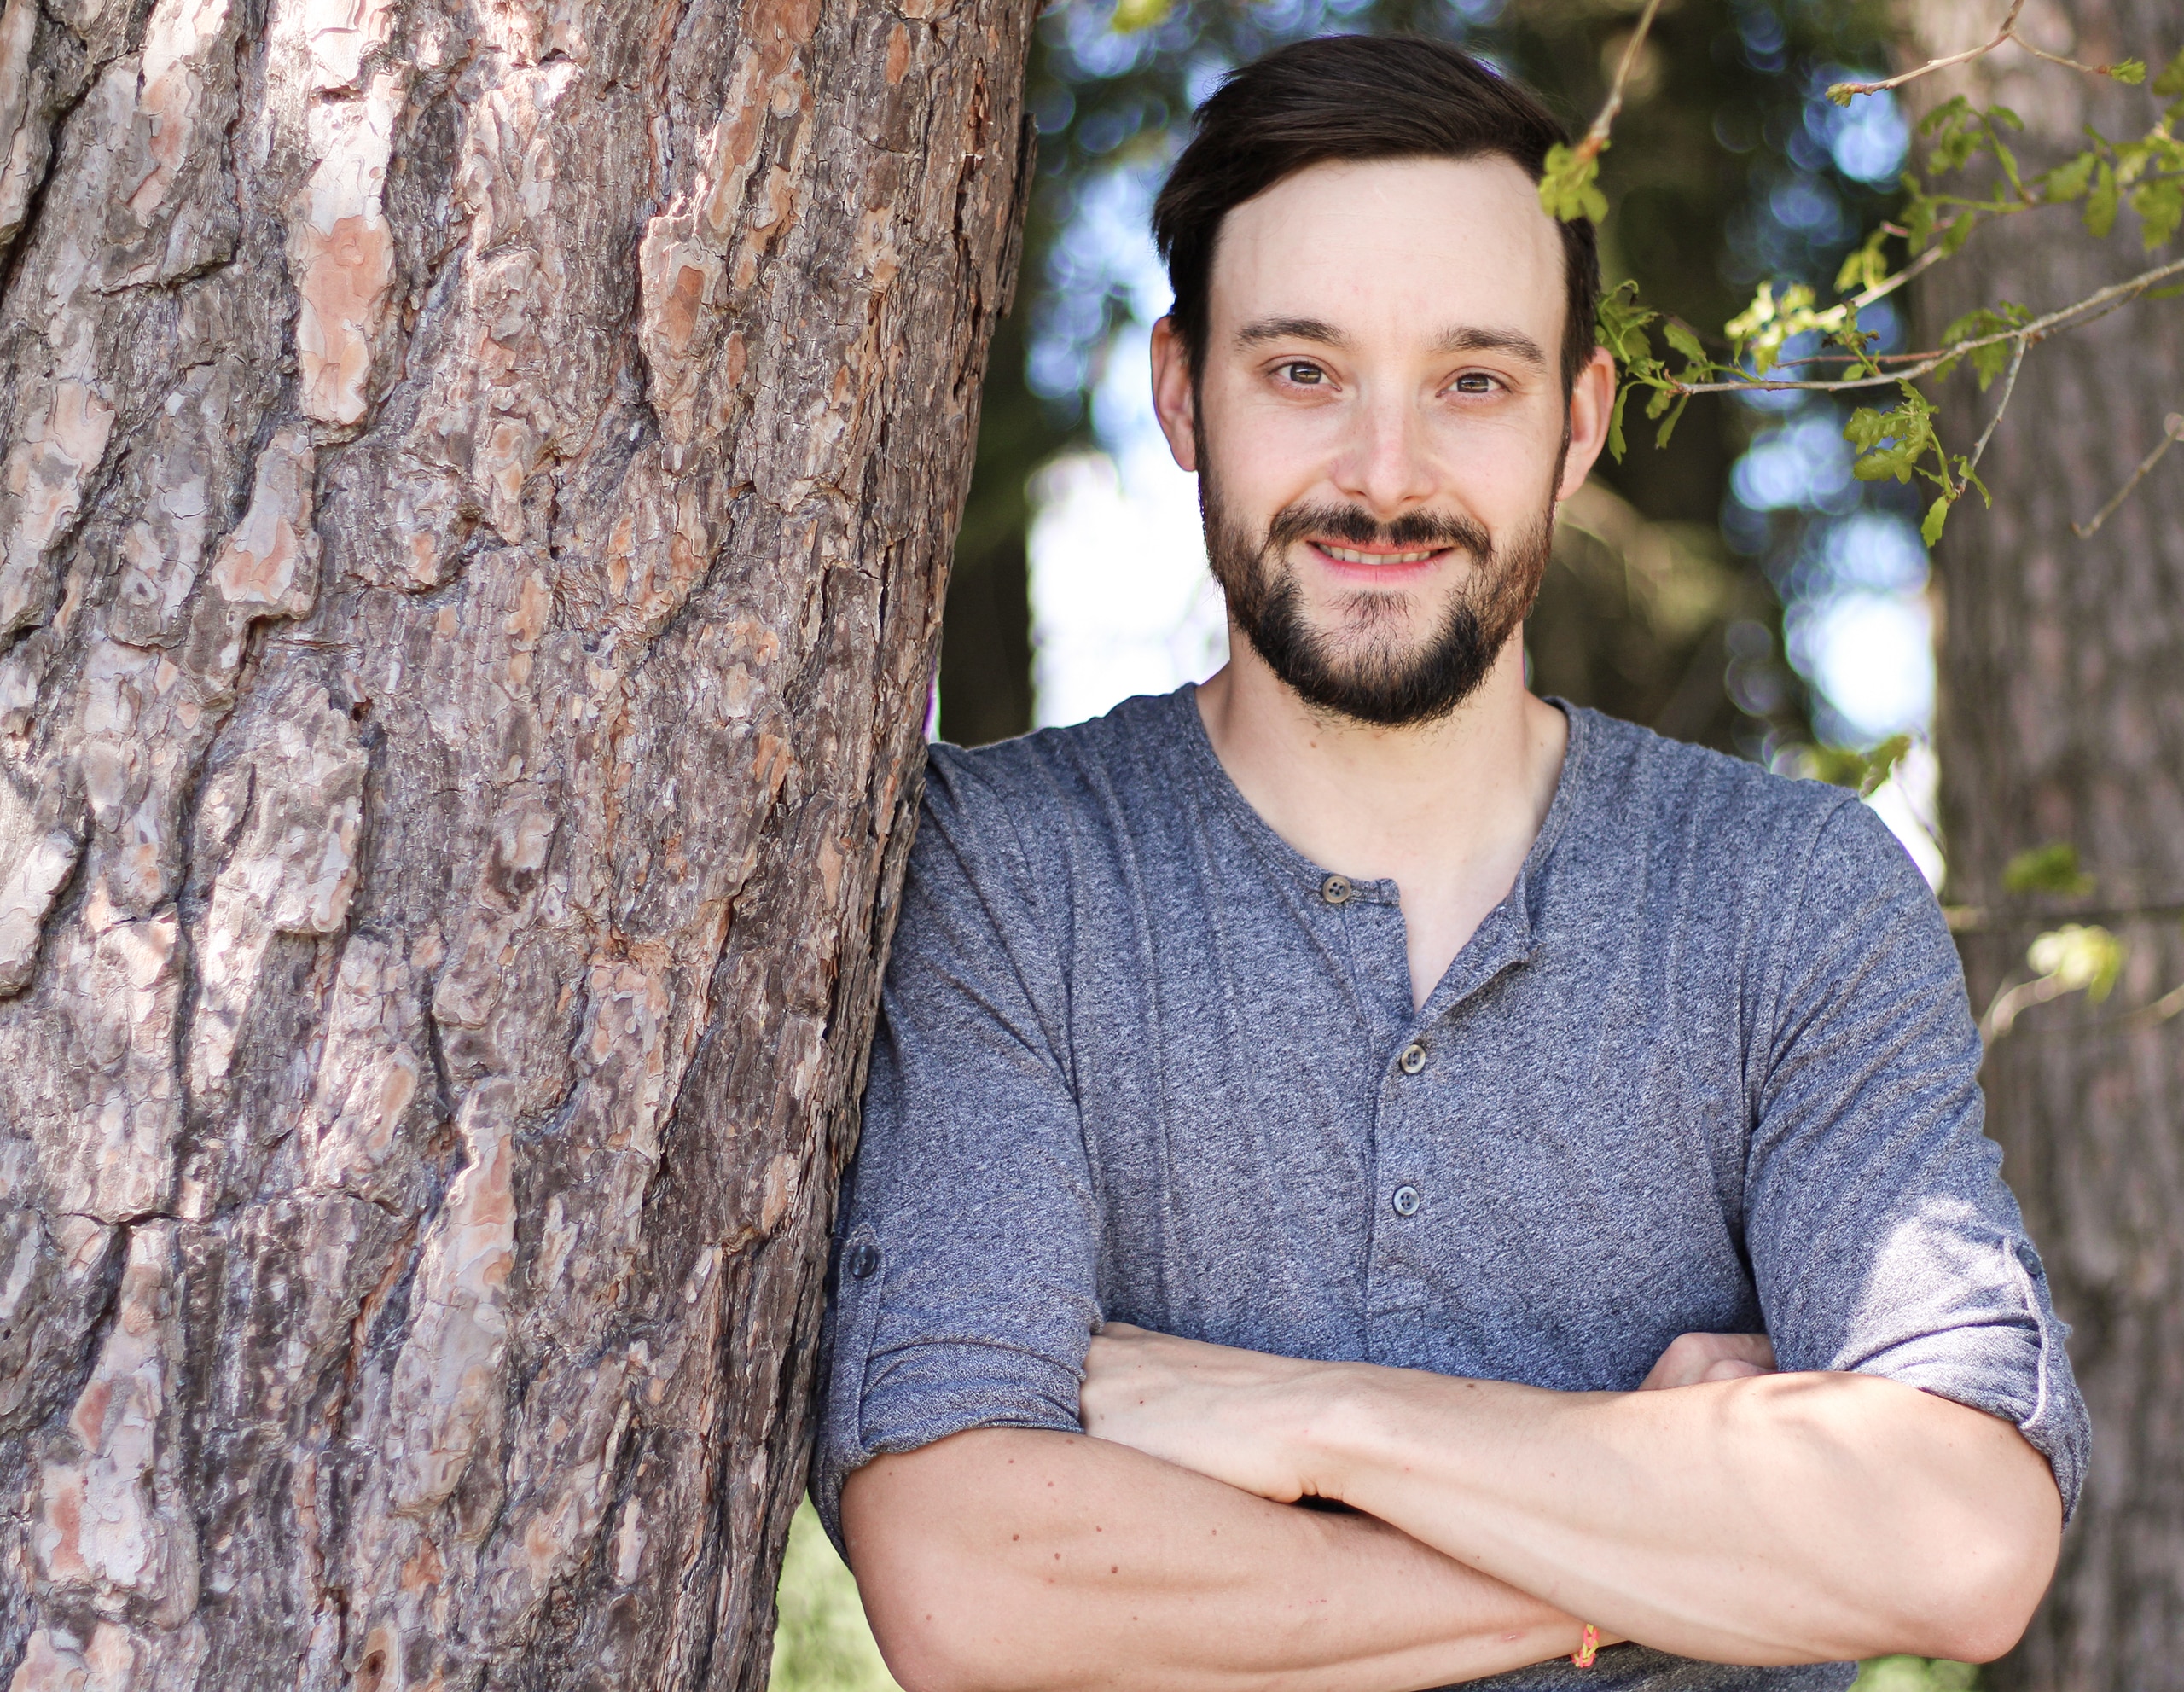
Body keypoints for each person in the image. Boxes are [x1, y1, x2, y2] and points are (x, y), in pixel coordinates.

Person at [813, 33, 2087, 1692]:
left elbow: (1960, 1538)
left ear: (1576, 419)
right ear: (1178, 395)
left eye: (1470, 380)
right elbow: (969, 1579)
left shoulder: (1786, 890)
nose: (1385, 474)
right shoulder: (1003, 869)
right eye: (1301, 371)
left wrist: (1311, 1419)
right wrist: (1665, 1526)